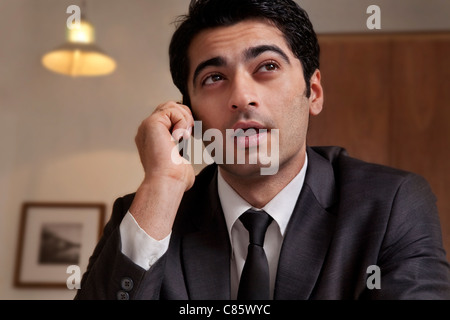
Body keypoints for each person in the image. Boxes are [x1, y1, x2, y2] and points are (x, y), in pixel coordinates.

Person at [75, 0, 450, 300]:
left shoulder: (392, 204)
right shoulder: (147, 215)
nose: (241, 97)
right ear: (189, 114)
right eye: (214, 78)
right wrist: (161, 185)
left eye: (267, 66)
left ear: (313, 93)